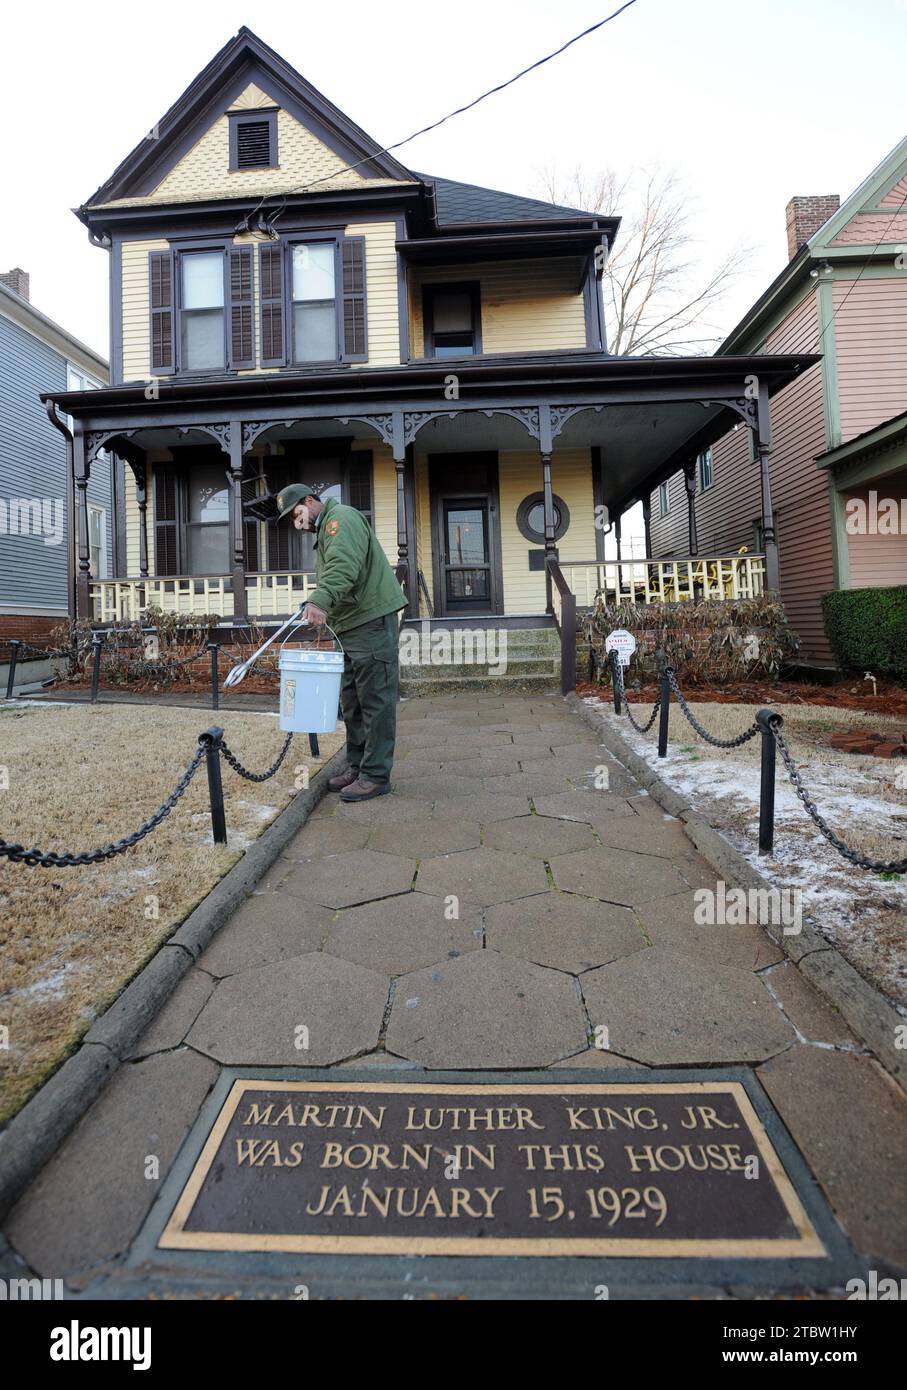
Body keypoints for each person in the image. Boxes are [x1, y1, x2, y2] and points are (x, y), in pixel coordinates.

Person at [276, 483, 406, 802]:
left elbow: (344, 567)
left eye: (297, 514)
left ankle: (375, 776)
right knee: (352, 701)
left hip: (370, 621)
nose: (297, 523)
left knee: (374, 701)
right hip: (349, 625)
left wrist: (319, 600)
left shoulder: (341, 520)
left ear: (310, 501)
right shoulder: (325, 533)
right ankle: (358, 766)